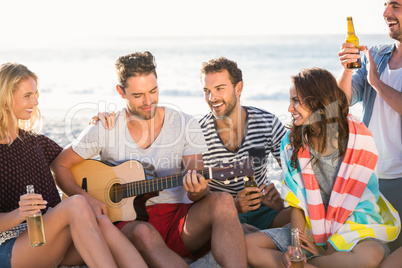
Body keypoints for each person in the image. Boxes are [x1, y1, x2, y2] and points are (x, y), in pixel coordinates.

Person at [51, 51, 247, 267]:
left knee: (223, 201)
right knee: (144, 233)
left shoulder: (185, 124)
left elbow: (196, 192)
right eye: (138, 95)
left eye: (153, 91)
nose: (148, 101)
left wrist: (197, 190)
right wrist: (85, 198)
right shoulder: (106, 127)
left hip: (179, 220)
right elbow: (59, 165)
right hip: (129, 222)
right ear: (121, 92)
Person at [245, 67, 400, 268]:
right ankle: (305, 263)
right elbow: (296, 204)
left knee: (370, 256)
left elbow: (360, 202)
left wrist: (327, 248)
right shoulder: (292, 143)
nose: (290, 109)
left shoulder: (357, 139)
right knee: (247, 246)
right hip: (311, 224)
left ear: (317, 101)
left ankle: (311, 263)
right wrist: (296, 248)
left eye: (296, 101)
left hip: (355, 223)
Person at [0, 62, 147, 268]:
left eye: (36, 94)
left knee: (102, 222)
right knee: (77, 203)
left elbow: (72, 162)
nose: (35, 101)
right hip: (11, 247)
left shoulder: (36, 142)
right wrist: (19, 214)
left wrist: (94, 128)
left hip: (51, 239)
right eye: (27, 96)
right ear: (5, 98)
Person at [337, 0, 402, 251]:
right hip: (371, 178)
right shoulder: (376, 54)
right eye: (385, 5)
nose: (386, 12)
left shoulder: (376, 70)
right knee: (373, 251)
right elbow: (342, 102)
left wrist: (376, 83)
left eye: (395, 6)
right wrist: (346, 70)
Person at [198, 57, 289, 232]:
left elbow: (293, 171)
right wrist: (232, 205)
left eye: (219, 88)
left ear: (238, 88)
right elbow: (197, 197)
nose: (212, 97)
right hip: (223, 216)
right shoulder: (198, 133)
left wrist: (281, 202)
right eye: (206, 90)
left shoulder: (267, 122)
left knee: (301, 216)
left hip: (263, 209)